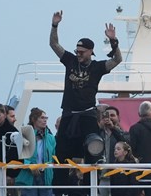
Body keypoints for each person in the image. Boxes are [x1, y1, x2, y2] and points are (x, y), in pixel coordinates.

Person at [49, 11, 122, 163]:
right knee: (61, 150)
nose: (78, 54)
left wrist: (113, 41)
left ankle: (90, 184)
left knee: (92, 150)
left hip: (88, 114)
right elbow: (54, 44)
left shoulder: (97, 67)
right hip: (69, 113)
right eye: (77, 51)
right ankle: (61, 184)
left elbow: (117, 60)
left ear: (90, 52)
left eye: (82, 52)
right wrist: (55, 25)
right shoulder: (70, 60)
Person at [15, 111, 61, 196]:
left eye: (46, 117)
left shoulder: (50, 137)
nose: (45, 120)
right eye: (42, 118)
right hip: (29, 175)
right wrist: (31, 165)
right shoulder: (26, 134)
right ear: (34, 119)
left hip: (46, 175)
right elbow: (24, 156)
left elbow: (53, 156)